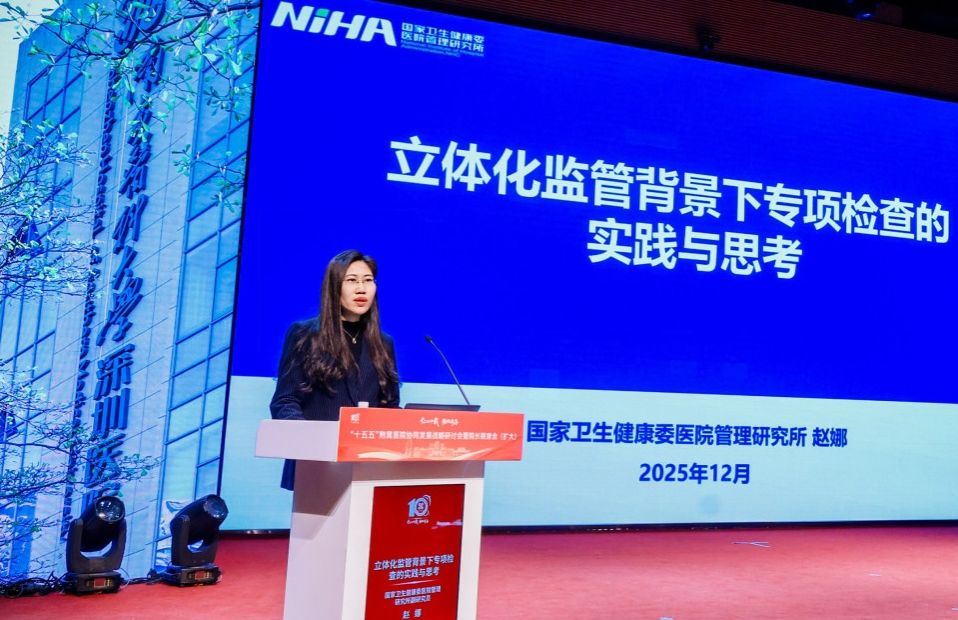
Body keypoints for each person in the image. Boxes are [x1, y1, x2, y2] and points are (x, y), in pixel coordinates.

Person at [270, 249, 400, 489]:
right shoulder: (304, 335)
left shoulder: (384, 344)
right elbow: (284, 401)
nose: (361, 289)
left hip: (367, 467)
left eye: (368, 280)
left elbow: (389, 406)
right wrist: (310, 439)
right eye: (352, 280)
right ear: (334, 287)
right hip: (315, 466)